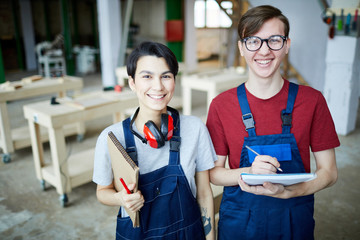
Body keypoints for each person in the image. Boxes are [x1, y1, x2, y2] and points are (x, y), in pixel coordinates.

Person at [206, 5, 340, 240]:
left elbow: (329, 172)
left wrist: (289, 193)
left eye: (274, 40)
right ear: (241, 47)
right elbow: (215, 173)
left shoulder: (312, 101)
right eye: (253, 41)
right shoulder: (221, 105)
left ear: (287, 45)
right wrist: (249, 171)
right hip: (239, 222)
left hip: (293, 219)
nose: (264, 50)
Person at [93, 41, 216, 240]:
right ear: (132, 83)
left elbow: (203, 193)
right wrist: (120, 198)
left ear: (175, 80)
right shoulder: (113, 138)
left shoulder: (194, 129)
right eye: (147, 76)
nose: (158, 86)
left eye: (166, 76)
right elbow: (102, 191)